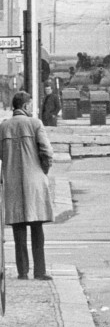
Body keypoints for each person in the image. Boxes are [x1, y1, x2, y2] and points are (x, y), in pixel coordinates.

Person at [0, 91, 55, 280]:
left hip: (12, 182)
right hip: (34, 181)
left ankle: (22, 271)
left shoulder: (4, 127)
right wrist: (43, 171)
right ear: (25, 106)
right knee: (37, 229)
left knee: (19, 230)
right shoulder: (35, 124)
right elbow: (47, 151)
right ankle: (40, 271)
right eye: (30, 105)